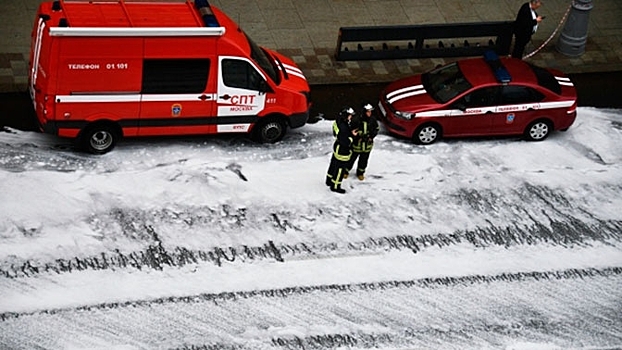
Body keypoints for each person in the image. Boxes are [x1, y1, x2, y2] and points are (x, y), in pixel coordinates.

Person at [325, 107, 357, 194]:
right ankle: (335, 186)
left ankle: (329, 180)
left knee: (333, 164)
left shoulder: (338, 122)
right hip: (343, 151)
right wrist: (352, 137)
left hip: (337, 147)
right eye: (350, 115)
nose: (351, 117)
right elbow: (345, 141)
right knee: (340, 169)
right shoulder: (344, 127)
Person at [345, 103, 380, 181]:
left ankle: (360, 173)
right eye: (368, 111)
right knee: (351, 159)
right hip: (357, 145)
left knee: (364, 160)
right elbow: (351, 131)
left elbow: (376, 129)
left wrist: (371, 137)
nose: (369, 113)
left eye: (370, 111)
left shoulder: (373, 120)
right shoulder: (356, 120)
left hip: (367, 145)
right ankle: (346, 171)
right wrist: (357, 137)